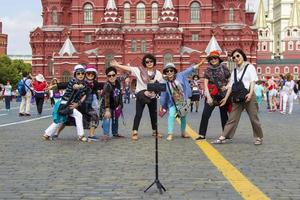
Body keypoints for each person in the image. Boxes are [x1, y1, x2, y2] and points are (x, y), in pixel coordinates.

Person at [212, 48, 264, 145]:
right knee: (232, 117)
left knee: (253, 118)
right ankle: (223, 136)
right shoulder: (234, 71)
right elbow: (231, 85)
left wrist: (250, 93)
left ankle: (258, 137)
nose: (236, 58)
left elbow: (253, 81)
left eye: (238, 56)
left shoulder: (250, 67)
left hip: (249, 94)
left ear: (242, 56)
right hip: (238, 96)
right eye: (234, 57)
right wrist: (225, 98)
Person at [110, 54, 163, 140]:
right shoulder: (139, 71)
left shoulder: (158, 73)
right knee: (138, 114)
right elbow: (129, 68)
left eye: (151, 61)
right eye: (147, 62)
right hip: (141, 95)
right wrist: (117, 65)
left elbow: (160, 86)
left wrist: (155, 83)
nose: (149, 63)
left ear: (154, 62)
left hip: (152, 96)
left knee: (153, 115)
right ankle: (135, 131)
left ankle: (155, 131)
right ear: (144, 63)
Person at [42, 64, 88, 142]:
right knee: (75, 116)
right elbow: (75, 86)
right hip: (65, 103)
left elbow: (84, 95)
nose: (80, 75)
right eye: (78, 73)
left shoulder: (84, 83)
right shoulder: (73, 81)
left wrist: (79, 102)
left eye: (82, 73)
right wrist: (80, 86)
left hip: (69, 103)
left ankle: (46, 134)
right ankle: (81, 136)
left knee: (61, 119)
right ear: (75, 74)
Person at [160, 61, 203, 141]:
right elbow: (163, 95)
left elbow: (190, 69)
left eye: (171, 70)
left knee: (183, 117)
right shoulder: (164, 82)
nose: (169, 72)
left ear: (174, 71)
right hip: (172, 102)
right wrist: (163, 105)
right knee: (171, 116)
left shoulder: (181, 75)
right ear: (165, 72)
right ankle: (170, 134)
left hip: (183, 101)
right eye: (167, 71)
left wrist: (201, 63)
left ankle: (183, 132)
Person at [195, 51, 231, 140]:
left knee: (224, 115)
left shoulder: (224, 68)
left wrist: (226, 87)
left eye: (215, 58)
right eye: (211, 59)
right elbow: (206, 84)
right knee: (205, 114)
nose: (213, 60)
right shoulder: (208, 69)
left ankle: (225, 134)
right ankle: (202, 134)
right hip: (212, 94)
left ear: (219, 59)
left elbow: (231, 80)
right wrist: (208, 97)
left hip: (222, 95)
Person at [101, 67, 125, 141]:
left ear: (116, 75)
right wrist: (107, 110)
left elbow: (126, 75)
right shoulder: (107, 85)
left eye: (113, 75)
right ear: (107, 77)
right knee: (107, 117)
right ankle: (106, 135)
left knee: (115, 119)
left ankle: (115, 133)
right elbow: (106, 98)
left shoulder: (118, 81)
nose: (111, 77)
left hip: (116, 105)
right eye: (109, 76)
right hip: (107, 106)